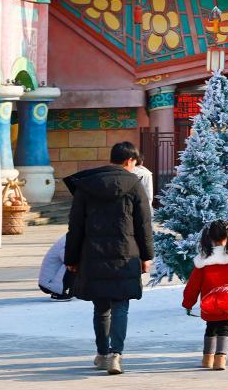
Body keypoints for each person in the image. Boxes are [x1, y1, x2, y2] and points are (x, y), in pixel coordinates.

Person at [64, 141, 154, 376]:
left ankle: (102, 354)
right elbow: (144, 225)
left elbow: (75, 227)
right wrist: (147, 256)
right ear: (129, 161)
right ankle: (116, 354)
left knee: (101, 307)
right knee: (121, 306)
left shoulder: (86, 185)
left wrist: (71, 258)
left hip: (93, 255)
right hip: (126, 255)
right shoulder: (134, 185)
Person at [182, 220, 228, 371]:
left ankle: (207, 358)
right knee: (224, 329)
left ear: (209, 237)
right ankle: (220, 359)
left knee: (210, 328)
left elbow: (193, 286)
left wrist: (188, 303)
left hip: (210, 303)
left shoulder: (203, 260)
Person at [39, 234, 73, 301]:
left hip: (48, 281)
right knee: (73, 264)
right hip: (49, 283)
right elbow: (68, 259)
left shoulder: (71, 238)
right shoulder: (69, 241)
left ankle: (61, 290)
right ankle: (58, 292)